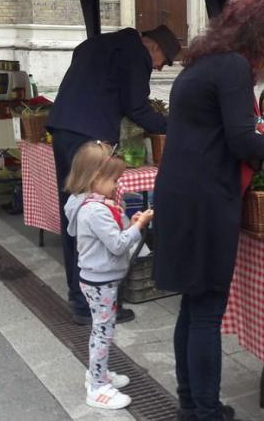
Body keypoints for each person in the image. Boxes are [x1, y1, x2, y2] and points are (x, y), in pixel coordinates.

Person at [151, 0, 264, 421]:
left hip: (179, 193)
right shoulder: (234, 67)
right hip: (205, 199)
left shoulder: (204, 63)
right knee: (207, 309)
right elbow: (244, 142)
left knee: (193, 303)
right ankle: (206, 410)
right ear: (262, 34)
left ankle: (189, 404)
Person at [47, 24, 180, 325]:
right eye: (163, 62)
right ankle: (89, 304)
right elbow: (136, 107)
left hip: (64, 128)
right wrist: (174, 126)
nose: (159, 68)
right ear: (154, 48)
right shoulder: (136, 54)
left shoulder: (100, 42)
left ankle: (78, 294)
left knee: (73, 210)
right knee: (91, 213)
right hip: (88, 137)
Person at [64, 141, 154, 410]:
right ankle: (97, 386)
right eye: (113, 180)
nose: (117, 186)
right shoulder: (95, 210)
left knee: (102, 330)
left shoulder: (87, 203)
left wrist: (129, 221)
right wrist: (138, 226)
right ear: (95, 178)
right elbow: (117, 244)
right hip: (101, 280)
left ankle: (98, 373)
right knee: (103, 333)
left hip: (97, 277)